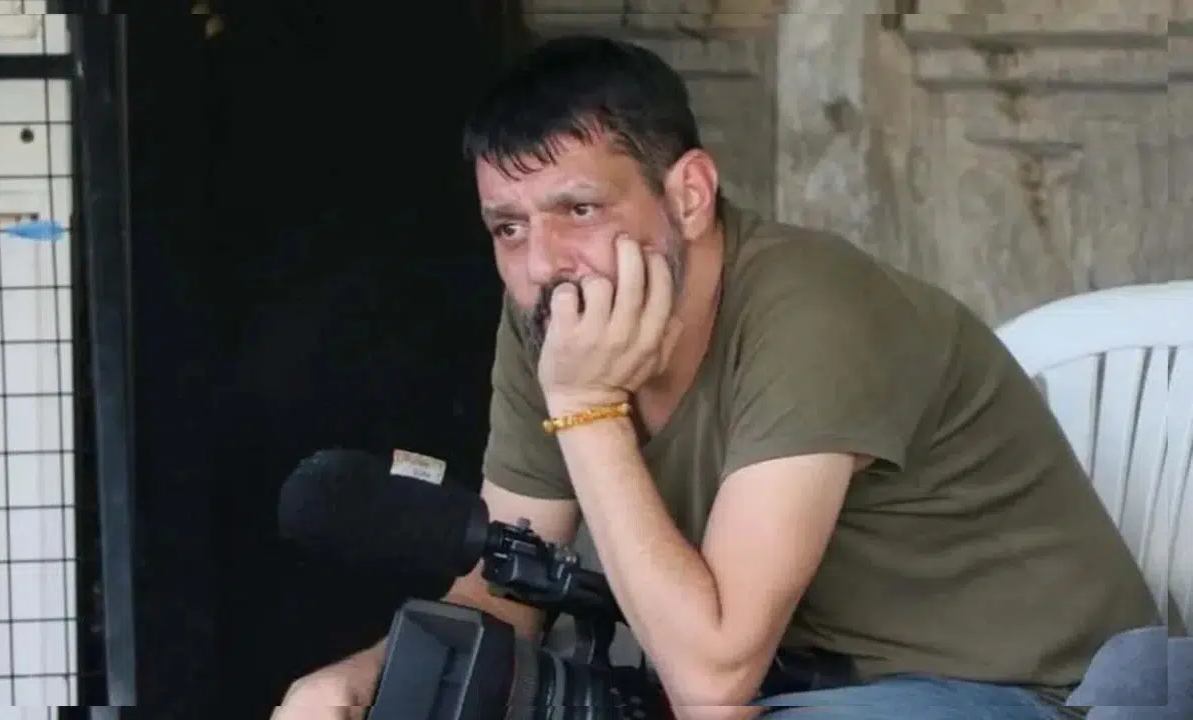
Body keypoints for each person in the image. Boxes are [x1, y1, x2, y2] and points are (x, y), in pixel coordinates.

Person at [272, 36, 1164, 720]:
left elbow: (712, 679)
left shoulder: (814, 312)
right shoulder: (552, 310)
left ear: (690, 194)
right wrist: (365, 680)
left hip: (1040, 693)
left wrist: (585, 407)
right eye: (508, 228)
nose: (542, 263)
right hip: (798, 689)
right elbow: (511, 585)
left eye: (579, 208)